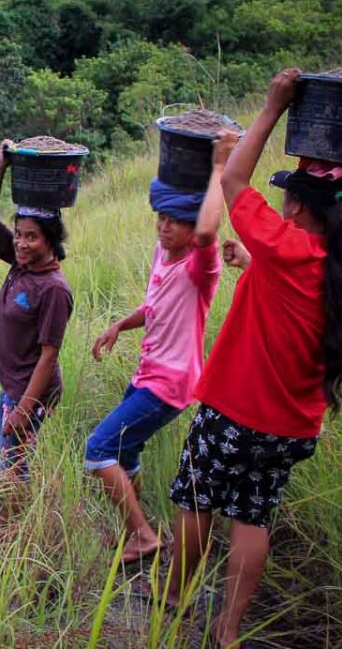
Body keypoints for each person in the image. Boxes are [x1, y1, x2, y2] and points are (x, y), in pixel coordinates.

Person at [165, 69, 342, 648]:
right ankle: (227, 632)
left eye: (287, 196)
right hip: (292, 427)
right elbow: (298, 304)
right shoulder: (339, 266)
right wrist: (252, 266)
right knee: (252, 518)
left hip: (235, 410)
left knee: (197, 498)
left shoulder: (281, 242)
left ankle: (175, 600)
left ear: (297, 208)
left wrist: (272, 107)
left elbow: (233, 176)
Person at [86, 130, 237, 562]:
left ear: (193, 229)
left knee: (98, 449)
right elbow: (154, 306)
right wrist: (119, 324)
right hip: (147, 375)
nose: (165, 226)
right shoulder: (163, 253)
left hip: (169, 385)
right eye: (161, 218)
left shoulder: (199, 268)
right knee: (124, 450)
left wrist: (219, 166)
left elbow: (209, 232)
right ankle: (135, 528)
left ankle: (144, 536)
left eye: (176, 221)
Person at [0, 140, 74, 481]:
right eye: (18, 234)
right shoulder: (22, 263)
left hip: (29, 390)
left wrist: (24, 407)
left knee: (14, 472)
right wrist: (0, 168)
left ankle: (19, 527)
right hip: (15, 386)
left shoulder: (53, 289)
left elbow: (49, 356)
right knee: (16, 463)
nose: (20, 243)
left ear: (49, 241)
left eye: (31, 237)